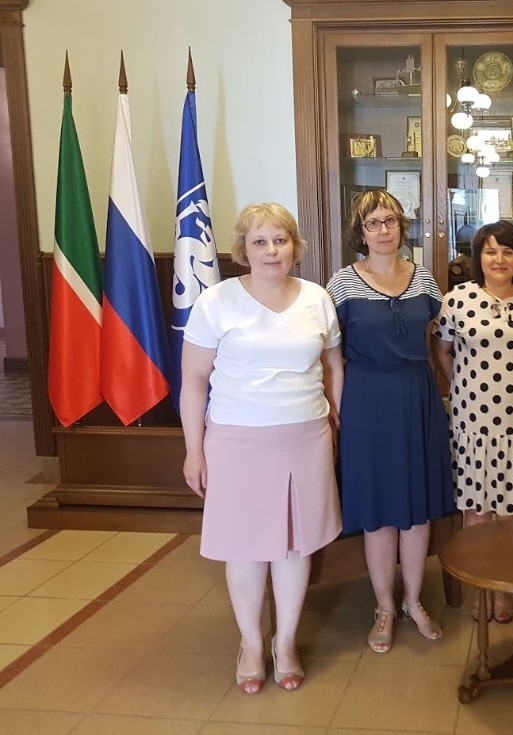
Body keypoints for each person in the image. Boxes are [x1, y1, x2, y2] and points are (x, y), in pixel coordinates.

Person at [181, 202, 343, 694]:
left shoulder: (317, 298)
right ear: (243, 249)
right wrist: (194, 450)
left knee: (294, 546)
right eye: (260, 241)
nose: (272, 250)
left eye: (281, 239)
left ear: (295, 246)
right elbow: (193, 381)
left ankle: (285, 642)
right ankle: (252, 642)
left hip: (305, 438)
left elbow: (333, 366)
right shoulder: (216, 302)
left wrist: (336, 420)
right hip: (237, 441)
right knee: (245, 547)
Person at [326, 190, 453, 654]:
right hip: (366, 400)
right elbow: (328, 354)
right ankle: (383, 606)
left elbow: (443, 339)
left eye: (391, 221)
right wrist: (336, 410)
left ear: (403, 226)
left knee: (417, 509)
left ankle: (413, 601)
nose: (383, 230)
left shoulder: (425, 278)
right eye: (373, 223)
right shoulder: (341, 284)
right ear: (360, 232)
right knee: (379, 511)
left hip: (417, 397)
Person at [433, 220, 513, 624]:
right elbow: (443, 350)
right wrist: (461, 384)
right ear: (478, 257)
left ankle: (505, 588)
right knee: (476, 511)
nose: (499, 259)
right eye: (490, 251)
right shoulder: (457, 299)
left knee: (510, 512)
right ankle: (482, 588)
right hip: (472, 423)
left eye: (507, 251)